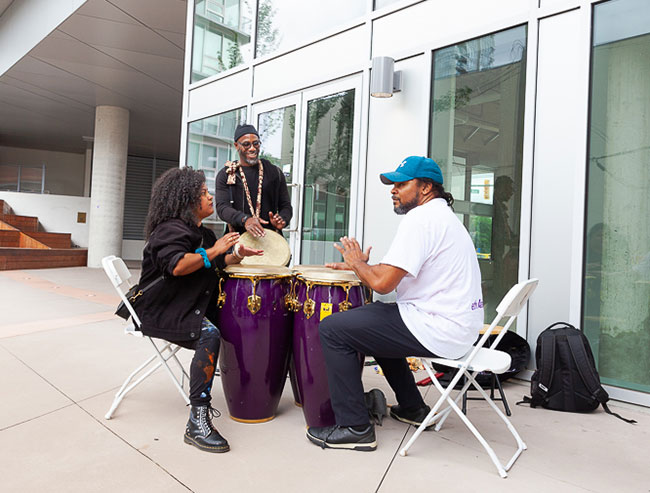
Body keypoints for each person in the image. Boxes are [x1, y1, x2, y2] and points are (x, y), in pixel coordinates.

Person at [306, 156, 484, 451]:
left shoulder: (421, 219)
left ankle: (355, 426)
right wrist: (359, 268)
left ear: (426, 187)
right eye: (393, 184)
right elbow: (392, 273)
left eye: (401, 184)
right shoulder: (443, 217)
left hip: (439, 328)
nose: (393, 190)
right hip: (457, 328)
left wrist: (356, 263)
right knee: (377, 318)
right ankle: (413, 407)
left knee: (333, 329)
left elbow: (382, 283)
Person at [135, 167, 262, 453]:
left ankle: (247, 387)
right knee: (209, 335)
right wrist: (215, 250)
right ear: (187, 199)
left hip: (185, 303)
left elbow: (210, 263)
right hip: (162, 308)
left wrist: (238, 254)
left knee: (235, 320)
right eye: (204, 193)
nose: (210, 197)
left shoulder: (199, 231)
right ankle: (197, 419)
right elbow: (179, 266)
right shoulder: (168, 229)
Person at [215, 123, 292, 237]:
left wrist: (282, 219)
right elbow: (222, 208)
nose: (252, 148)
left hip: (270, 239)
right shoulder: (227, 174)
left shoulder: (274, 172)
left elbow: (286, 206)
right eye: (246, 144)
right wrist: (245, 220)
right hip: (239, 239)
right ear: (236, 145)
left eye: (256, 143)